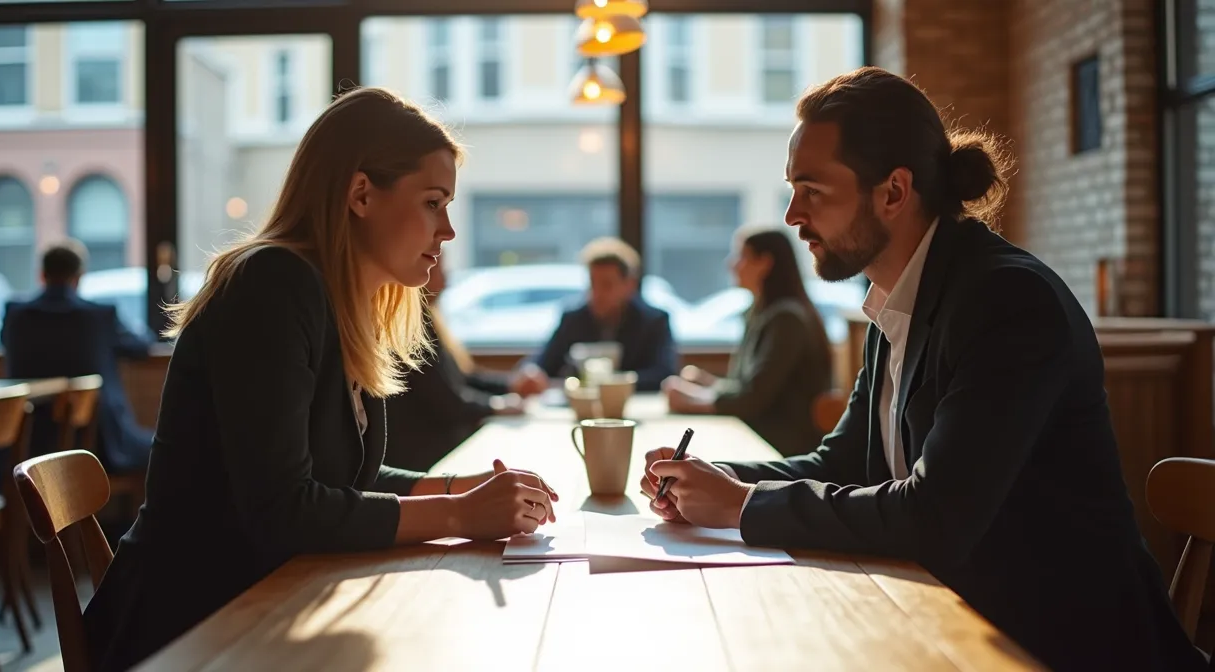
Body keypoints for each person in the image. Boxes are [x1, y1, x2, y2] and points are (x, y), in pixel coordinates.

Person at [638, 67, 1205, 670]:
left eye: (813, 190)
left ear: (893, 191)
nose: (792, 215)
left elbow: (937, 517)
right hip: (954, 621)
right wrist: (709, 477)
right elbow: (846, 462)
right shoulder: (899, 298)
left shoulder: (1007, 300)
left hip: (1059, 645)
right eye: (792, 189)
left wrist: (742, 503)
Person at [82, 87, 560, 672]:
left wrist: (460, 489)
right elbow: (284, 508)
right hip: (188, 629)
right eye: (434, 202)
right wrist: (461, 516)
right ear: (361, 193)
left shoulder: (339, 301)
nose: (449, 231)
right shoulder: (271, 285)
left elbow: (342, 474)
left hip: (266, 601)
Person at [661, 225, 832, 454]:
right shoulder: (761, 312)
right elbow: (747, 386)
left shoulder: (786, 319)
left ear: (765, 263)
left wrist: (693, 401)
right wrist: (708, 383)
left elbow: (753, 398)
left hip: (780, 446)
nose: (731, 264)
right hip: (758, 434)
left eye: (741, 255)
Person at [1, 240, 154, 473]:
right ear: (79, 277)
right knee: (165, 447)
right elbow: (141, 346)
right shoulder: (99, 317)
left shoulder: (15, 316)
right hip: (99, 444)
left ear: (42, 275)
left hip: (25, 444)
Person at [384, 261, 540, 472]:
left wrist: (511, 385)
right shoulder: (411, 325)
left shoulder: (430, 317)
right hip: (429, 457)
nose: (447, 280)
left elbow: (463, 379)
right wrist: (497, 405)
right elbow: (449, 403)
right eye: (439, 268)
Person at [515, 237, 678, 393]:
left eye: (607, 285)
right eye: (593, 283)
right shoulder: (574, 318)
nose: (597, 293)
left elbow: (664, 374)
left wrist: (610, 382)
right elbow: (542, 362)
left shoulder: (654, 321)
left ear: (630, 285)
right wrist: (531, 373)